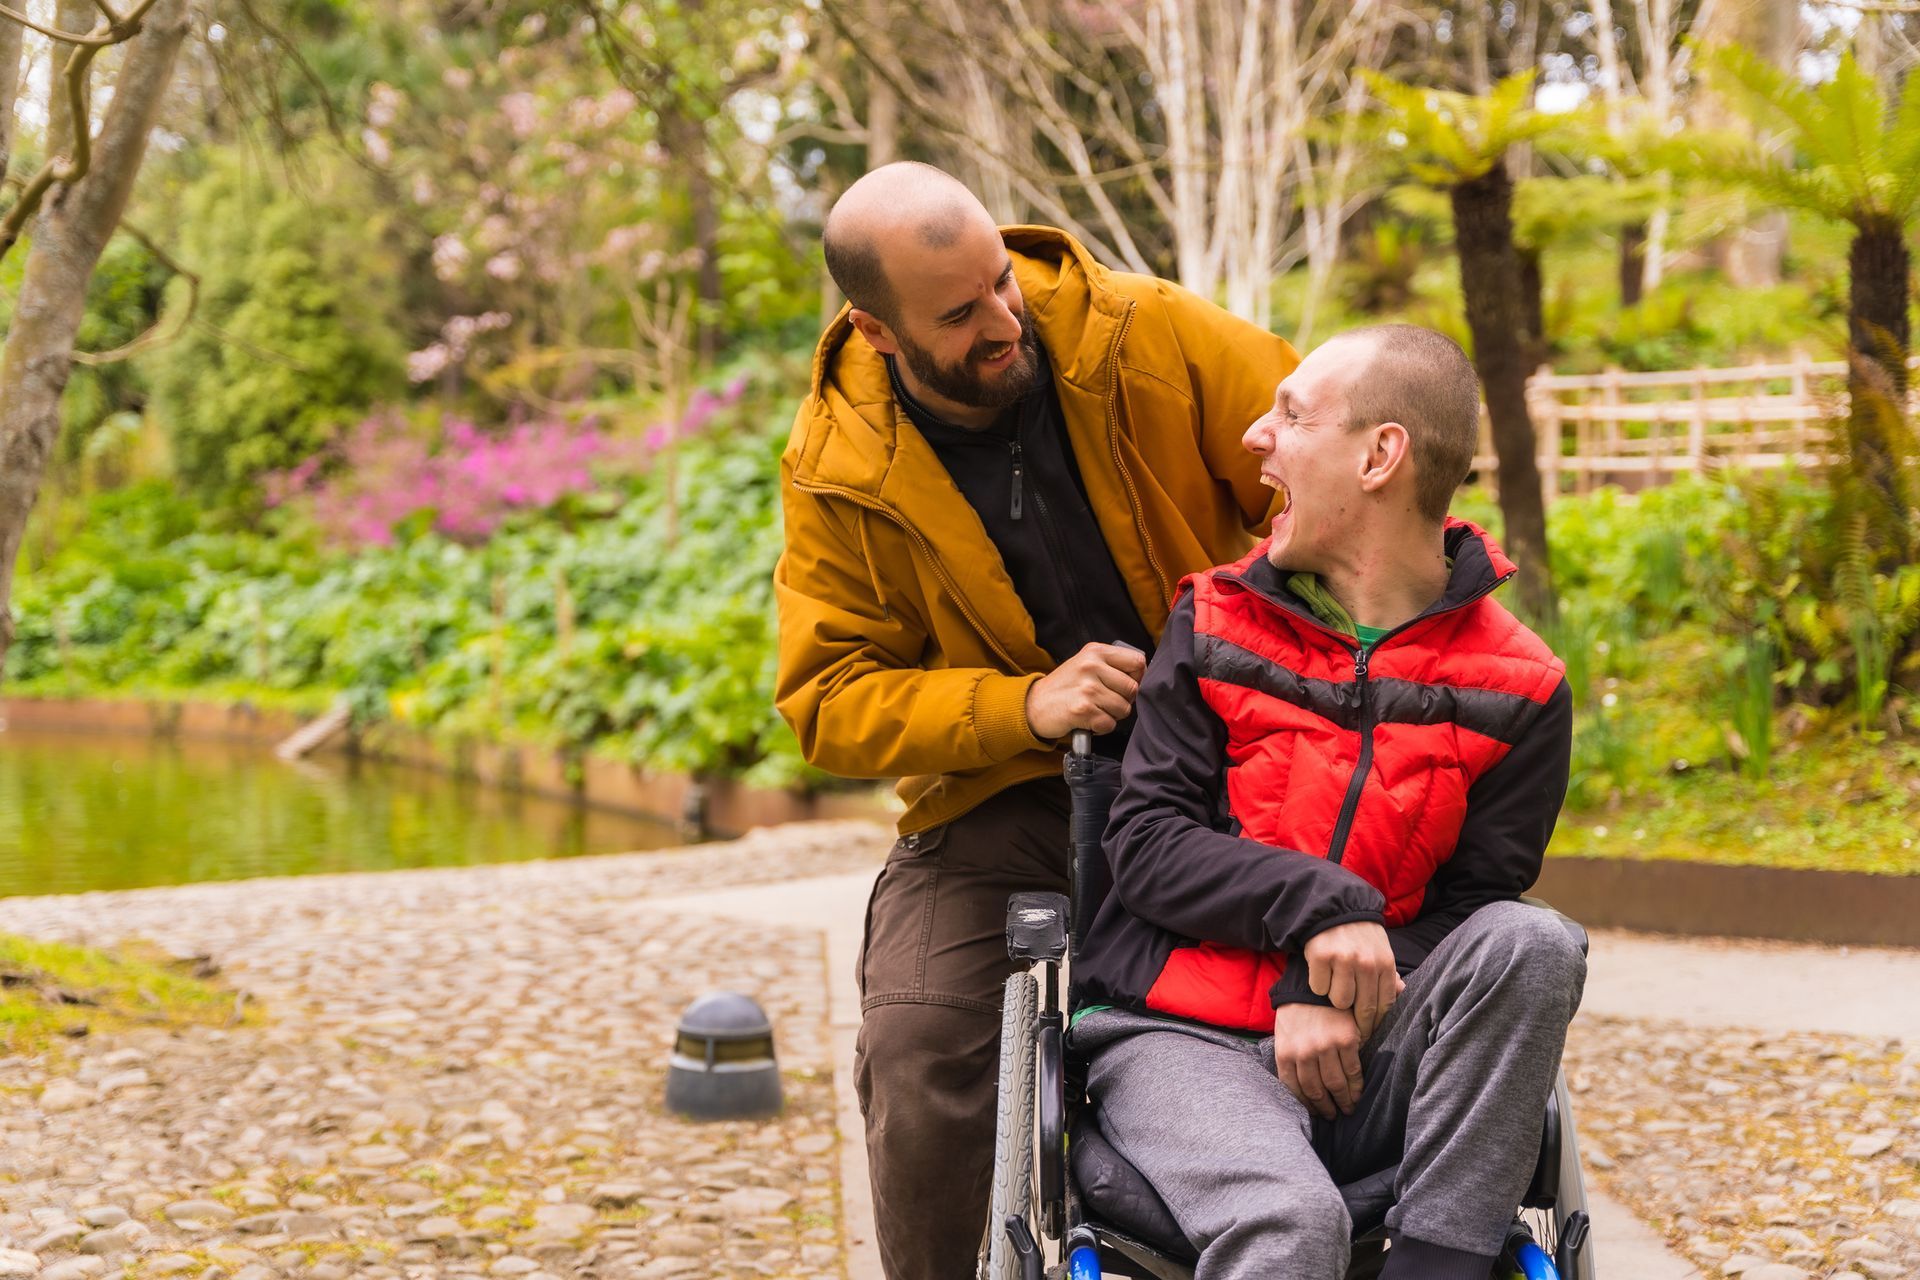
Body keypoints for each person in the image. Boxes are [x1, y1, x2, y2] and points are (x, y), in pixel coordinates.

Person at [772, 161, 1298, 1278]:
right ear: (875, 330)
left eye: (1002, 285)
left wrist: (1240, 659)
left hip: (1233, 772)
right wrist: (1022, 705)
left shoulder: (1150, 335)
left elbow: (1341, 481)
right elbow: (827, 698)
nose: (1004, 322)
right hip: (1004, 800)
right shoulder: (837, 468)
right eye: (959, 315)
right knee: (915, 1047)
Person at [1070, 324, 1585, 1280]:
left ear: (1380, 454)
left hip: (1375, 1058)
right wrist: (1322, 919)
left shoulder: (1522, 686)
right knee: (1291, 1225)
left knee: (1534, 942)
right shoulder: (1214, 620)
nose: (1256, 440)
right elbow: (1143, 844)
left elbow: (1476, 907)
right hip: (1182, 1038)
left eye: (1291, 415)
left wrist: (1331, 999)